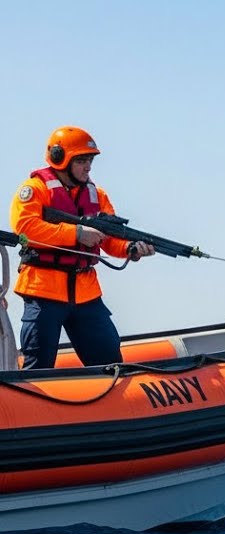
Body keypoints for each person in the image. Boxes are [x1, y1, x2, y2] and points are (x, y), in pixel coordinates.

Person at [9, 126, 155, 370]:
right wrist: (76, 233)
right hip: (43, 292)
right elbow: (25, 228)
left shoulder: (97, 195)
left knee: (110, 363)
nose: (88, 167)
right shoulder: (35, 189)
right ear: (59, 158)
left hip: (86, 293)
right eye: (82, 160)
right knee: (38, 367)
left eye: (90, 160)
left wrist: (130, 249)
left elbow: (108, 240)